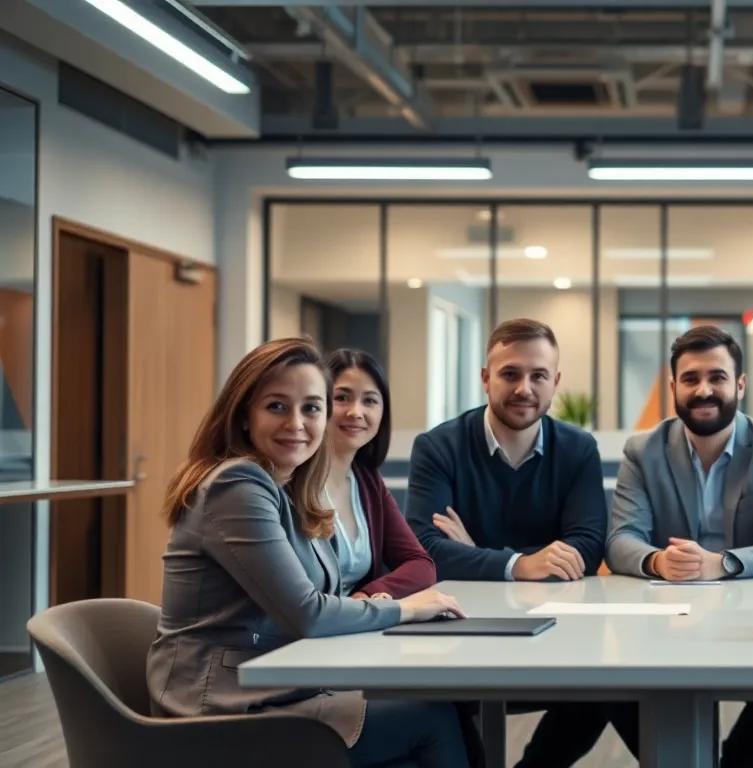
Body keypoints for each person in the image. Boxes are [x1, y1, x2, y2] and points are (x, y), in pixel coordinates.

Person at [146, 337, 469, 768]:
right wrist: (406, 609)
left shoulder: (288, 486)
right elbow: (309, 612)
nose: (296, 423)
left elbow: (325, 597)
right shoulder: (237, 485)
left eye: (312, 408)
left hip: (272, 685)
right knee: (432, 718)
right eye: (277, 406)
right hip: (220, 707)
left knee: (434, 713)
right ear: (243, 415)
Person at [403, 318, 609, 768]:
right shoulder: (439, 447)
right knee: (438, 703)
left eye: (538, 375)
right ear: (485, 378)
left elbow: (588, 548)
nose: (524, 388)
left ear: (555, 382)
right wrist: (521, 564)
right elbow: (424, 549)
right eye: (510, 373)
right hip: (462, 629)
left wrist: (474, 550)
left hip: (556, 630)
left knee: (604, 691)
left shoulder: (578, 449)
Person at [605, 325, 753, 768]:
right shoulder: (643, 450)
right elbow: (620, 539)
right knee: (611, 680)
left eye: (717, 377)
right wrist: (657, 561)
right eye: (691, 378)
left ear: (740, 384)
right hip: (667, 618)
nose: (704, 390)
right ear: (673, 387)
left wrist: (722, 563)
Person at [324, 348, 436, 599]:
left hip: (358, 619)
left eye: (370, 401)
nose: (356, 412)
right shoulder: (293, 481)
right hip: (306, 621)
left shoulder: (367, 480)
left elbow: (421, 565)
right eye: (341, 397)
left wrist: (367, 595)